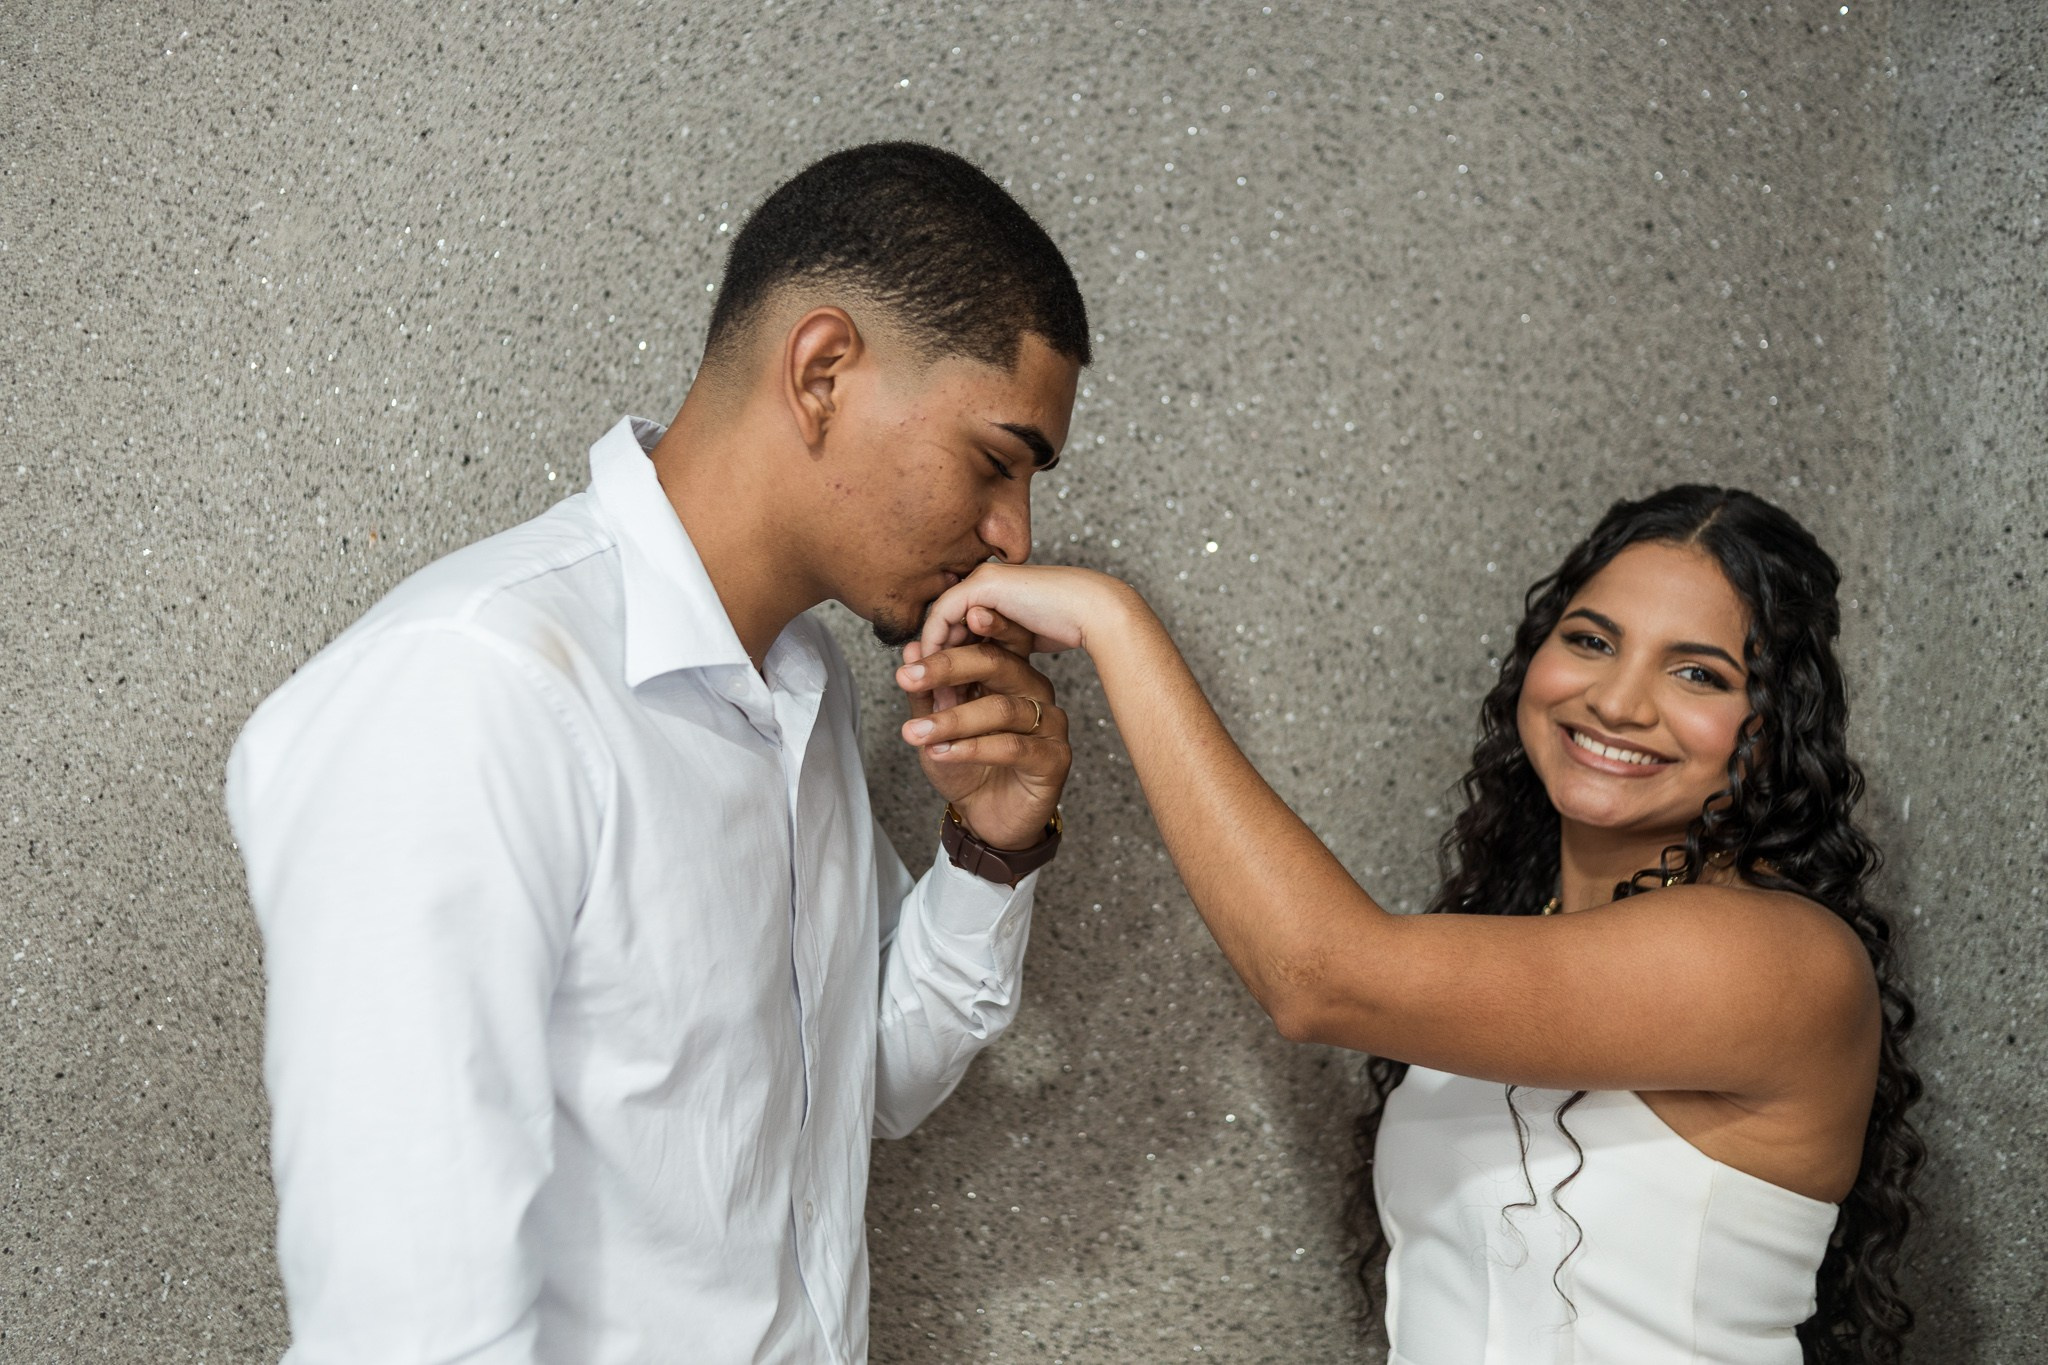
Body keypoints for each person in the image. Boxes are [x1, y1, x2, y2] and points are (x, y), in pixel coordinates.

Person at [226, 142, 1087, 1365]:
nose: (1012, 534)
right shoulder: (474, 690)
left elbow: (859, 1091)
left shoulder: (801, 692)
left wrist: (988, 850)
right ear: (823, 370)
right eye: (996, 461)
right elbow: (408, 1330)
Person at [900, 486, 1924, 1365]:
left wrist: (1112, 622)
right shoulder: (1505, 938)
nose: (1617, 699)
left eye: (1697, 672)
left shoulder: (1773, 957)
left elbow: (1316, 975)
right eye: (1589, 640)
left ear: (1772, 730)